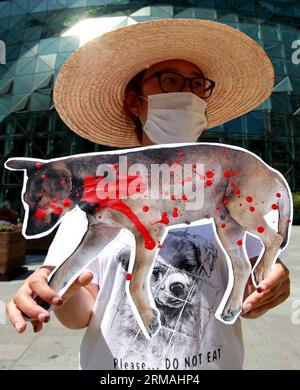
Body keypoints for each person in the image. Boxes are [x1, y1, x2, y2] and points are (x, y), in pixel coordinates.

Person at [6, 19, 290, 369]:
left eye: (197, 84)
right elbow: (80, 314)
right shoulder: (87, 206)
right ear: (134, 102)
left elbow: (251, 291)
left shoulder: (227, 181)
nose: (187, 94)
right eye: (170, 80)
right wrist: (50, 293)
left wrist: (270, 285)